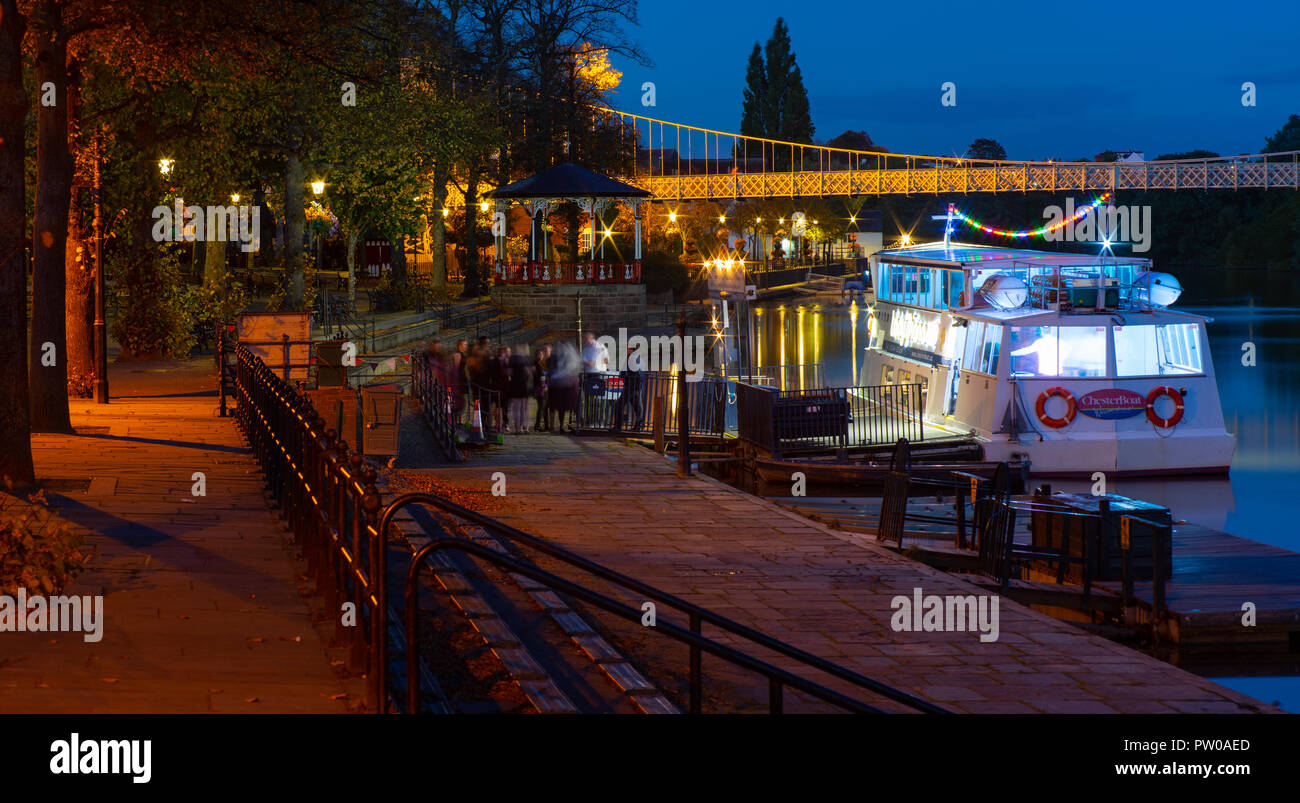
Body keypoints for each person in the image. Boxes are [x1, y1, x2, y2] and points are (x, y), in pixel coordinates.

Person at [547, 341, 580, 433]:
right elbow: (551, 370)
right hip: (558, 386)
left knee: (573, 406)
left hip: (567, 385)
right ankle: (558, 426)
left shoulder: (568, 357)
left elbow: (573, 367)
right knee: (559, 407)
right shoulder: (553, 358)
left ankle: (577, 426)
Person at [614, 344, 645, 432]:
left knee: (619, 405)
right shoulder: (640, 358)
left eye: (627, 348)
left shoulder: (630, 358)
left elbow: (625, 372)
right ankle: (638, 427)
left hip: (630, 386)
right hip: (638, 386)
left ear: (632, 350)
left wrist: (623, 376)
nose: (626, 350)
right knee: (637, 408)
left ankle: (618, 426)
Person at [506, 348, 533, 434]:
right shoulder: (525, 363)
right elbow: (528, 374)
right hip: (524, 388)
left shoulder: (511, 362)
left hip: (514, 387)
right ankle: (523, 427)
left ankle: (518, 428)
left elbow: (508, 374)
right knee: (524, 409)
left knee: (516, 409)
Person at [532, 346, 550, 431]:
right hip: (540, 389)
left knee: (545, 407)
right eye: (538, 354)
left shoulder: (544, 364)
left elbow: (547, 376)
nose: (540, 356)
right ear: (536, 355)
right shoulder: (535, 365)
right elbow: (540, 377)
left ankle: (547, 425)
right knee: (541, 407)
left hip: (546, 388)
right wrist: (543, 385)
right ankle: (537, 425)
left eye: (541, 354)